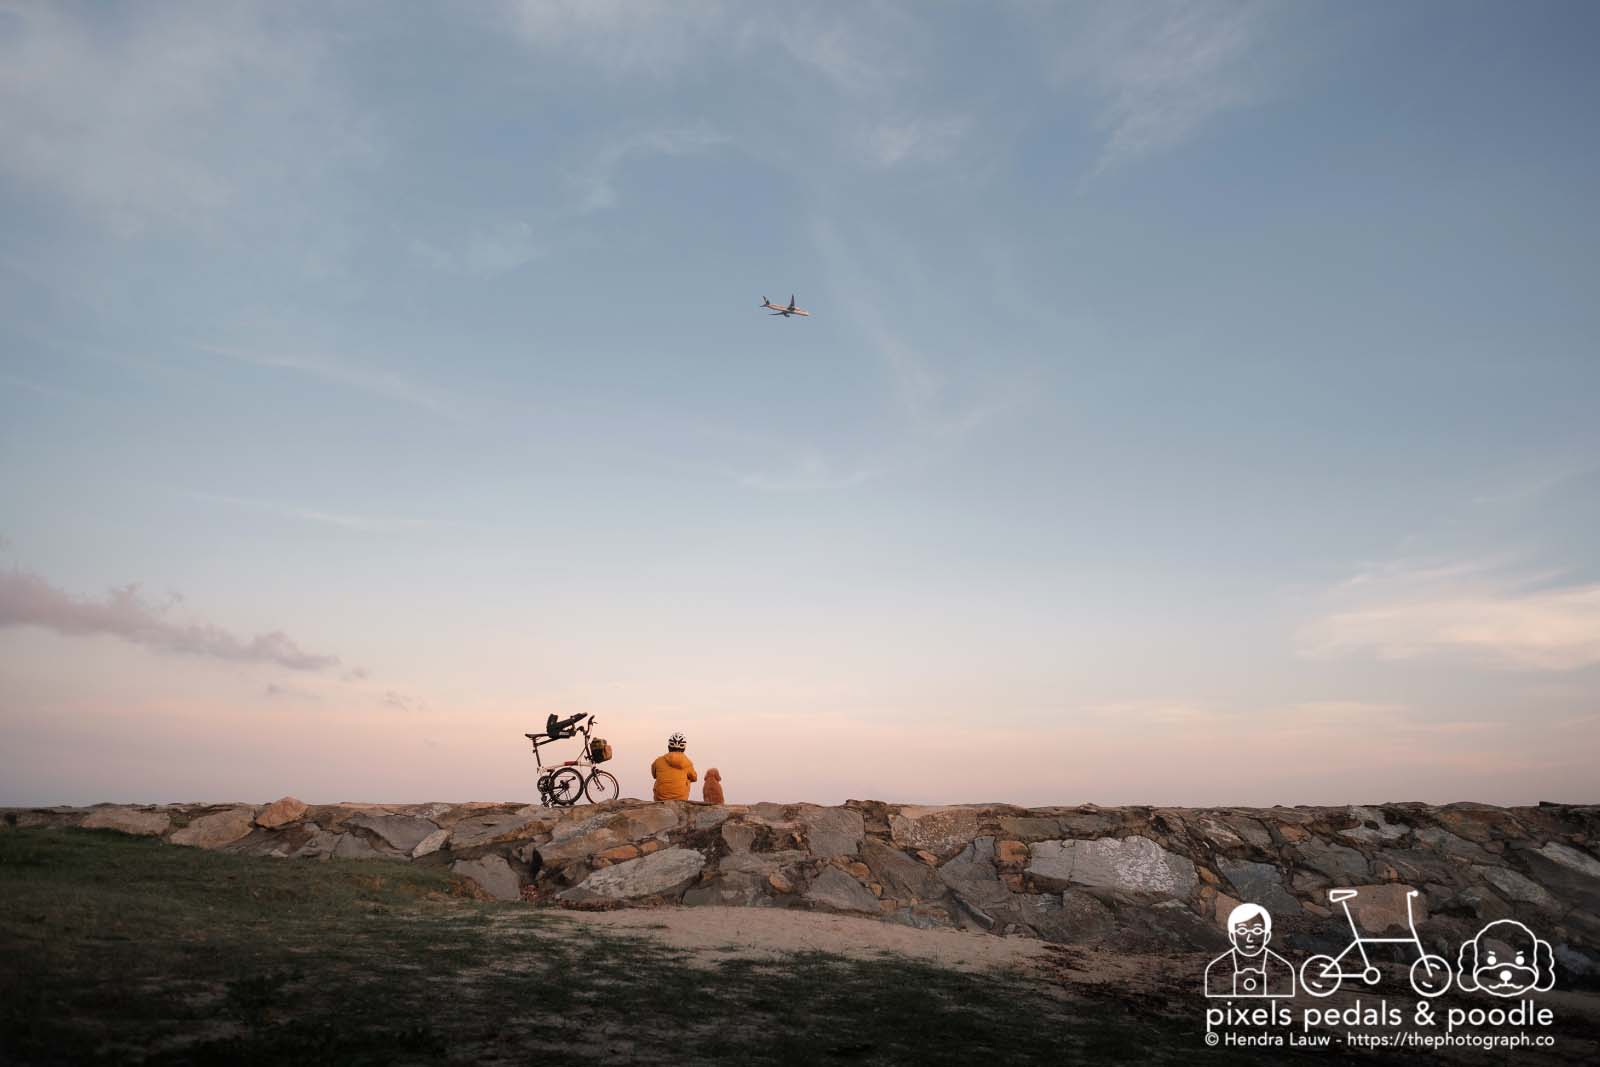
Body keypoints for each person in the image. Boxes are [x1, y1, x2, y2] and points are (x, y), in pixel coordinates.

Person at [1204, 902, 1296, 997]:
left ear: (1267, 936)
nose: (1249, 938)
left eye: (1257, 931)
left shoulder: (1283, 968)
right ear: (1232, 937)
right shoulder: (1217, 967)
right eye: (1242, 931)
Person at [650, 732, 697, 802]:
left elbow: (654, 775)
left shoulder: (658, 761)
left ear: (669, 747)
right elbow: (694, 778)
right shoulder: (688, 763)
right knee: (688, 778)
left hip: (660, 799)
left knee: (660, 776)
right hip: (681, 799)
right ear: (684, 748)